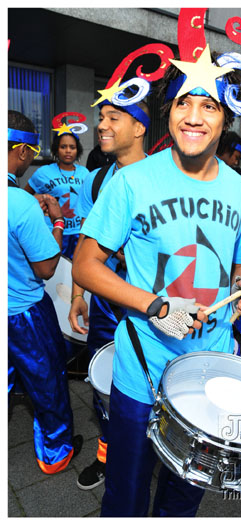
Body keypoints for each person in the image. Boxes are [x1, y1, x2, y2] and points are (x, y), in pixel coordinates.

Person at [72, 44, 241, 517]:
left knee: (185, 495)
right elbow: (85, 265)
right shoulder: (132, 181)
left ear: (225, 120)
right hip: (142, 364)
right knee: (126, 492)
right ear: (169, 113)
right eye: (184, 102)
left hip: (210, 372)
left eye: (210, 105)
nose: (195, 116)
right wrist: (158, 307)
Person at [69, 92, 150, 490]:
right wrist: (77, 295)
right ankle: (109, 454)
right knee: (105, 383)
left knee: (153, 384)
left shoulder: (163, 179)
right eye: (101, 116)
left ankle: (151, 450)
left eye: (114, 117)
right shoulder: (96, 179)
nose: (101, 125)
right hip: (104, 305)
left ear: (139, 127)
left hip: (151, 311)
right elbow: (83, 247)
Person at [8, 110, 82, 474]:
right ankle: (55, 453)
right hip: (22, 314)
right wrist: (54, 220)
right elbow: (47, 267)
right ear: (22, 152)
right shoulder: (19, 203)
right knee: (48, 380)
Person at [24, 125, 89, 260]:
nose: (68, 151)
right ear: (56, 149)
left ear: (78, 150)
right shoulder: (43, 172)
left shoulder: (85, 173)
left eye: (72, 147)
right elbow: (24, 197)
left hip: (79, 233)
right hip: (53, 231)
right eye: (63, 147)